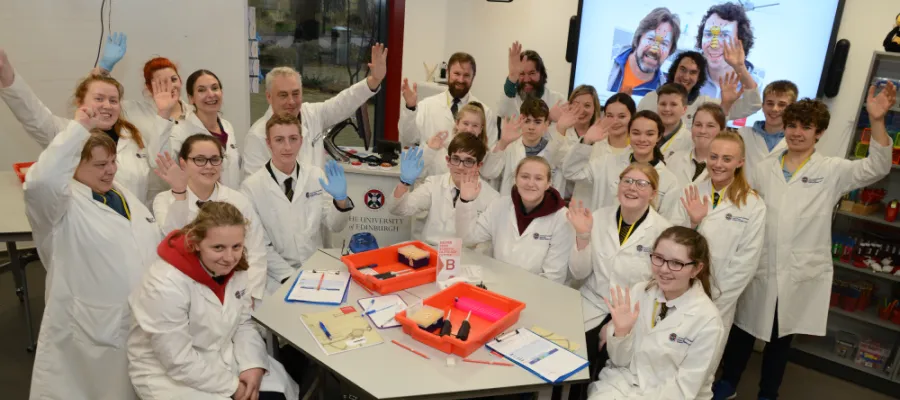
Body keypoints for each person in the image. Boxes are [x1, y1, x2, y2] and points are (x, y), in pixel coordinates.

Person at [713, 85, 896, 400]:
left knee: (780, 338)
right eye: (792, 125)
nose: (797, 132)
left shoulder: (832, 170)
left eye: (806, 127)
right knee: (742, 331)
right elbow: (742, 206)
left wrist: (876, 121)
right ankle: (728, 383)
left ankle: (768, 393)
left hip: (797, 271)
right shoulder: (764, 167)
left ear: (819, 133)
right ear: (785, 127)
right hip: (759, 266)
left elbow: (877, 168)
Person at [24, 108, 162, 399]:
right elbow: (39, 183)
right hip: (91, 329)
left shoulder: (118, 191)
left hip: (136, 321)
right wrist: (78, 129)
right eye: (100, 164)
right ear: (73, 165)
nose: (111, 170)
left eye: (112, 161)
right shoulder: (58, 207)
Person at [128, 202, 299, 400]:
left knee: (277, 393)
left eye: (237, 246)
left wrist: (252, 365)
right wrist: (233, 386)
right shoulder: (165, 283)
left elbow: (243, 323)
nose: (229, 257)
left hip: (218, 355)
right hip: (169, 375)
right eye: (218, 247)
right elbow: (176, 358)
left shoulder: (236, 270)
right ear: (196, 243)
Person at [0, 48, 159, 205]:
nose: (107, 105)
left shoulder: (134, 138)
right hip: (84, 225)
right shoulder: (66, 133)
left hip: (131, 226)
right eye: (99, 99)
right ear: (80, 102)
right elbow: (32, 114)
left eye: (113, 100)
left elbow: (148, 192)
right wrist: (6, 72)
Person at [567, 163, 673, 394]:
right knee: (574, 365)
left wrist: (615, 324)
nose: (632, 188)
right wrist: (582, 236)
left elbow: (657, 286)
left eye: (642, 183)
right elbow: (578, 273)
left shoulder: (662, 231)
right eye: (627, 181)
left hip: (633, 312)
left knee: (610, 371)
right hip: (592, 303)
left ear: (653, 193)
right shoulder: (598, 217)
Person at [586, 227, 724, 400]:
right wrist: (622, 333)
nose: (664, 269)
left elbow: (683, 390)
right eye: (659, 258)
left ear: (696, 269)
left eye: (676, 263)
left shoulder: (708, 321)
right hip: (621, 385)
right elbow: (619, 361)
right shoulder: (639, 291)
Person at [152, 134, 276, 305]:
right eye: (200, 160)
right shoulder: (165, 200)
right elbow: (173, 240)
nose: (209, 166)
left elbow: (256, 251)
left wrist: (250, 294)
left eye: (215, 159)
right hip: (188, 293)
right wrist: (180, 193)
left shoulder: (238, 200)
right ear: (183, 163)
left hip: (237, 290)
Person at [241, 114, 354, 294]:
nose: (287, 147)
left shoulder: (316, 176)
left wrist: (340, 200)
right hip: (277, 278)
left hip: (316, 268)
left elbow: (335, 225)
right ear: (268, 143)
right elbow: (259, 244)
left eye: (293, 139)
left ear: (301, 141)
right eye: (279, 140)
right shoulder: (251, 187)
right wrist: (291, 277)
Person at [244, 43, 387, 176]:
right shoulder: (257, 136)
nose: (291, 101)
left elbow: (344, 102)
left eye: (295, 93)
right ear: (269, 97)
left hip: (318, 199)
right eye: (283, 95)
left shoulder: (313, 114)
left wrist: (374, 80)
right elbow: (255, 189)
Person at [673, 131, 765, 331]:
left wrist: (716, 299)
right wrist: (694, 224)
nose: (718, 164)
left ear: (740, 162)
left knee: (704, 355)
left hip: (720, 298)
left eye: (727, 159)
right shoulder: (692, 191)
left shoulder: (753, 204)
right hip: (680, 288)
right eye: (713, 157)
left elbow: (746, 262)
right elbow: (672, 244)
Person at [456, 156, 574, 285]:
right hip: (498, 282)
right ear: (516, 179)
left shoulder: (562, 218)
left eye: (538, 178)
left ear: (548, 183)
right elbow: (469, 238)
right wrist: (466, 201)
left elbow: (553, 276)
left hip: (536, 291)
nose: (530, 183)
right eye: (525, 176)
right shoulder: (499, 205)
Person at [563, 110, 680, 219]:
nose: (642, 139)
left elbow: (667, 222)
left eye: (649, 134)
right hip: (601, 233)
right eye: (636, 133)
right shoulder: (606, 163)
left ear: (658, 137)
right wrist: (587, 141)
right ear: (629, 134)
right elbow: (571, 172)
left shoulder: (668, 180)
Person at [390, 134, 499, 247]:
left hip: (467, 259)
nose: (460, 167)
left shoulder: (492, 198)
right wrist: (404, 183)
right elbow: (398, 209)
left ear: (479, 165)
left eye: (468, 161)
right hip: (432, 251)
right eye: (456, 159)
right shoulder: (434, 184)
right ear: (448, 161)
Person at [399, 52, 499, 148]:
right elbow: (409, 138)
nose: (461, 80)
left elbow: (489, 154)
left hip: (468, 165)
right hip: (430, 165)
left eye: (466, 75)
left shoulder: (485, 113)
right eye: (457, 73)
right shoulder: (427, 105)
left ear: (473, 77)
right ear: (448, 73)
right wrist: (410, 107)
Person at [164, 69, 244, 188]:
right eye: (201, 90)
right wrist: (163, 113)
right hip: (199, 203)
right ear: (191, 98)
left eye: (215, 88)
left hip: (230, 201)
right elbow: (162, 160)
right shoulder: (180, 131)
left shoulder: (227, 127)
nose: (211, 94)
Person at [636, 49, 761, 125]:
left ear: (699, 77)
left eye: (693, 72)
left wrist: (740, 67)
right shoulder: (650, 99)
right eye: (682, 70)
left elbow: (752, 105)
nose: (686, 77)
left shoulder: (705, 104)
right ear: (674, 70)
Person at [481, 98, 569, 195]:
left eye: (537, 122)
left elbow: (559, 184)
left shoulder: (554, 150)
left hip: (543, 208)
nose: (531, 127)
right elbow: (487, 173)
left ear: (546, 124)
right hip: (511, 207)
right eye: (527, 121)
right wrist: (502, 143)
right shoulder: (509, 147)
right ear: (521, 120)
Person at [567, 93, 636, 207]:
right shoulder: (589, 144)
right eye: (609, 115)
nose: (614, 121)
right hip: (584, 212)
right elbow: (570, 172)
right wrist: (586, 142)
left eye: (622, 116)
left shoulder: (635, 152)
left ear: (632, 117)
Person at [607, 7, 681, 96]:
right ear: (639, 39)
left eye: (664, 44)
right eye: (651, 39)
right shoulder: (606, 65)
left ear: (670, 51)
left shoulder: (662, 95)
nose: (655, 49)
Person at [737, 80, 797, 187]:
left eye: (782, 105)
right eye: (770, 103)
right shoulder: (743, 134)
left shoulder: (797, 142)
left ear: (792, 109)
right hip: (742, 198)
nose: (774, 109)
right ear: (763, 106)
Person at [695, 3, 762, 99]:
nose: (714, 45)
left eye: (724, 35)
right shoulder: (689, 79)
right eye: (709, 34)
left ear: (741, 41)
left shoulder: (758, 89)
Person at [420, 102, 490, 178]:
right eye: (465, 123)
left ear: (481, 129)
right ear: (457, 123)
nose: (469, 129)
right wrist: (430, 150)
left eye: (475, 125)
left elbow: (489, 175)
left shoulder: (483, 155)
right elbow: (416, 174)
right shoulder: (439, 149)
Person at [500, 42, 566, 120]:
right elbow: (502, 111)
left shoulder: (557, 101)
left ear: (541, 74)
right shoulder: (510, 101)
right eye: (522, 74)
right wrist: (512, 76)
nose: (527, 79)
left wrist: (549, 118)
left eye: (532, 73)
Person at [666, 103, 726, 185]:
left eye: (710, 126)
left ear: (722, 131)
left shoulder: (726, 169)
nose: (702, 131)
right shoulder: (673, 160)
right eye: (698, 125)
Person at [655, 83, 693, 159]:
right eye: (663, 104)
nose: (667, 109)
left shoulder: (690, 141)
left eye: (673, 104)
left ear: (684, 109)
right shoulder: (645, 133)